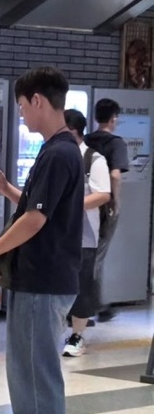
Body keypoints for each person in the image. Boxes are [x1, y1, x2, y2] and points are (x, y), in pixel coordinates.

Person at [0, 66, 83, 414]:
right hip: (39, 279)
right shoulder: (57, 150)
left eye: (22, 106)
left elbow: (37, 220)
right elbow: (40, 208)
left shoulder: (59, 153)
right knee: (26, 374)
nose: (21, 114)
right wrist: (8, 190)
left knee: (37, 378)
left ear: (38, 100)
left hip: (44, 281)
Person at [61, 110, 111, 357]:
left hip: (84, 234)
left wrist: (70, 205)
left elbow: (103, 195)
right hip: (55, 233)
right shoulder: (53, 155)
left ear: (74, 131)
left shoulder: (93, 159)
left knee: (81, 284)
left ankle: (77, 335)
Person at [85, 98, 130, 322]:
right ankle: (91, 307)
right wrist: (115, 202)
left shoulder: (86, 140)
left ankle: (81, 305)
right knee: (97, 256)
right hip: (103, 206)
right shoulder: (116, 143)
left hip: (84, 204)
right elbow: (115, 175)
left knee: (84, 254)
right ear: (113, 119)